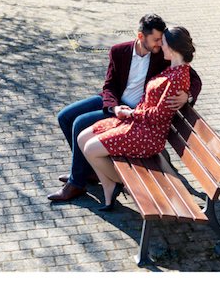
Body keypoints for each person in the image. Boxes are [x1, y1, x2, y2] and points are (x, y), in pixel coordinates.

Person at [48, 13, 202, 203]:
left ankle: (77, 183)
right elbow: (109, 86)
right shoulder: (119, 51)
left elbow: (193, 77)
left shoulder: (163, 56)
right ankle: (89, 170)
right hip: (117, 103)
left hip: (137, 111)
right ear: (140, 37)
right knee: (65, 116)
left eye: (161, 40)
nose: (159, 44)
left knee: (80, 124)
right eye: (155, 39)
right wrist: (113, 108)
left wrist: (188, 95)